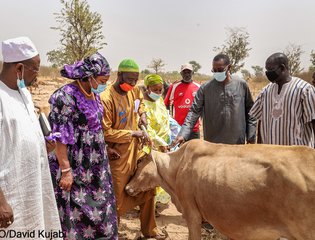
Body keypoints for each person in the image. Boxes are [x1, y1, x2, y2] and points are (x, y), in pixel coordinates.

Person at [48, 52, 118, 239]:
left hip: (96, 167)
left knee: (102, 212)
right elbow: (60, 137)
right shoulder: (65, 97)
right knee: (75, 211)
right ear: (90, 77)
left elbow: (95, 128)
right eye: (103, 80)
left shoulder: (93, 95)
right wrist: (66, 170)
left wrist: (105, 147)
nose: (105, 85)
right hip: (75, 164)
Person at [0, 37, 62, 236]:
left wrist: (43, 146)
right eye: (35, 69)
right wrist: (1, 202)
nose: (37, 75)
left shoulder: (24, 94)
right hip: (11, 194)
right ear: (19, 68)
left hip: (33, 188)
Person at [101, 59, 164, 239]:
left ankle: (150, 231)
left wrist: (142, 114)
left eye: (136, 80)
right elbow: (106, 132)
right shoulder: (106, 98)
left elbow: (140, 103)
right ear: (119, 75)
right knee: (118, 198)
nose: (133, 83)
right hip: (119, 156)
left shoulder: (135, 91)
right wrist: (133, 134)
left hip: (137, 151)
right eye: (129, 79)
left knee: (148, 190)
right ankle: (114, 233)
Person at [173, 53, 256, 146]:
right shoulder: (205, 88)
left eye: (220, 70)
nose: (217, 73)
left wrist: (251, 137)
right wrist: (183, 134)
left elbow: (250, 111)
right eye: (214, 70)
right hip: (212, 144)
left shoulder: (241, 85)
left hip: (236, 142)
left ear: (229, 68)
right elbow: (194, 112)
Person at [250, 52, 315, 147]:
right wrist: (260, 147)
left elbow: (313, 120)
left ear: (282, 68)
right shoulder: (265, 91)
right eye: (267, 70)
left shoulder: (305, 90)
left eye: (271, 70)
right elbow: (260, 120)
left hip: (296, 156)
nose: (268, 73)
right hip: (270, 154)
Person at [164, 63, 201, 140]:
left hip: (194, 128)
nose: (187, 74)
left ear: (193, 73)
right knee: (179, 151)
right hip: (178, 127)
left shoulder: (198, 87)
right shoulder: (174, 87)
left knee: (194, 151)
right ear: (181, 73)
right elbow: (166, 104)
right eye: (184, 72)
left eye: (189, 72)